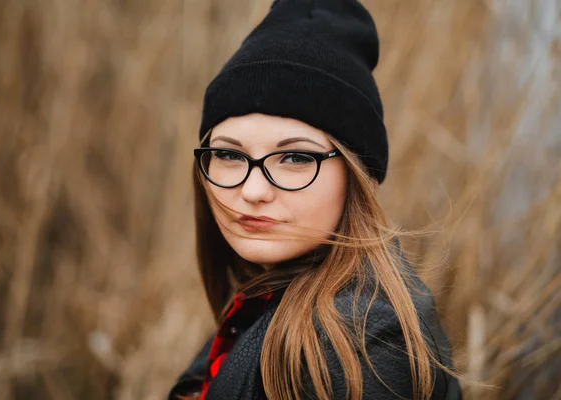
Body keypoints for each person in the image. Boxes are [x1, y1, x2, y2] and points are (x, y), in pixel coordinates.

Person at [169, 0, 464, 399]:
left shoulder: (362, 344)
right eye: (229, 154)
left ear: (362, 179)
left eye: (295, 157)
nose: (253, 191)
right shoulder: (267, 300)